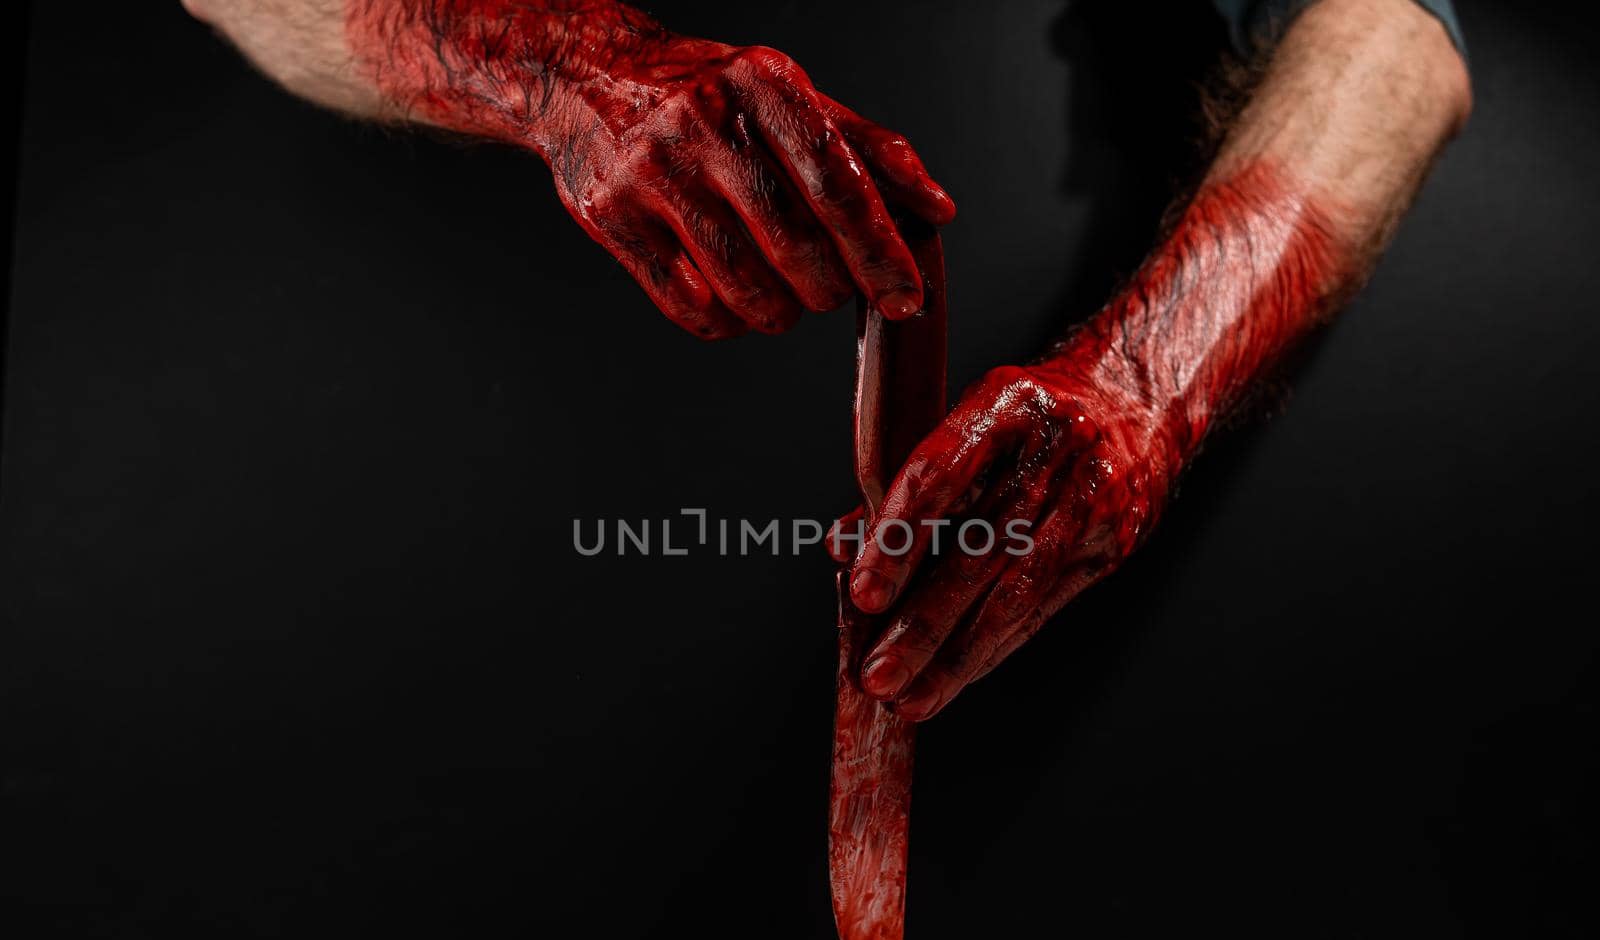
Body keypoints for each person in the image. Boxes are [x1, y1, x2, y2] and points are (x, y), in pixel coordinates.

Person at [183, 0, 1471, 720]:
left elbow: (1397, 37)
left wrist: (1145, 386)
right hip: (453, 499)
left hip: (1064, 571)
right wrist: (559, 72)